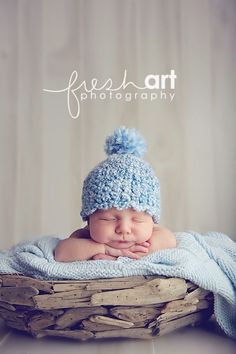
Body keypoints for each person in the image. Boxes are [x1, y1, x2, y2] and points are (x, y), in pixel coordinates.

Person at [54, 127, 176, 261]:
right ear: (89, 220)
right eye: (108, 219)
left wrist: (134, 252)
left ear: (152, 221)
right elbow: (62, 252)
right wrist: (104, 249)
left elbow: (169, 240)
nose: (124, 229)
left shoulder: (152, 235)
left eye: (137, 219)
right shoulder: (84, 236)